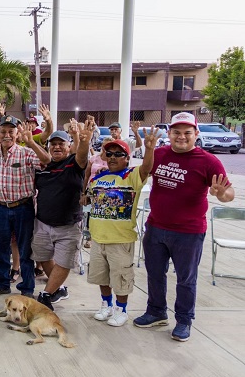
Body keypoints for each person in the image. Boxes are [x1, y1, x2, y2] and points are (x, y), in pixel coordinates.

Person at [134, 112, 234, 342]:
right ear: (169, 134)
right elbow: (142, 173)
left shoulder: (208, 161)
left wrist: (221, 194)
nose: (181, 137)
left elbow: (229, 192)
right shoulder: (159, 154)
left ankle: (184, 320)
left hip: (188, 232)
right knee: (155, 274)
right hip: (156, 227)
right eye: (176, 132)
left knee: (186, 279)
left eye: (187, 132)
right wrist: (147, 149)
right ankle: (156, 311)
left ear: (196, 134)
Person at [87, 131, 156, 327]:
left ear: (127, 158)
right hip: (98, 237)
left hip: (121, 239)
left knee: (121, 277)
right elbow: (90, 197)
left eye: (118, 154)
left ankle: (121, 310)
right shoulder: (98, 178)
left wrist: (150, 149)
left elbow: (147, 168)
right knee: (102, 276)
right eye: (109, 154)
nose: (113, 158)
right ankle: (106, 305)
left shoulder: (131, 175)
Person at [0, 116, 51, 298]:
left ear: (17, 133)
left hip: (23, 208)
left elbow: (47, 160)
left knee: (25, 250)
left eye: (11, 131)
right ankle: (2, 284)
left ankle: (27, 289)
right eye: (3, 131)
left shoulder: (26, 153)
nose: (7, 135)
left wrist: (31, 143)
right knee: (0, 249)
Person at [32, 125, 91, 311]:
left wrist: (84, 141)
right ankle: (60, 289)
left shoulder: (74, 164)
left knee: (64, 262)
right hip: (43, 223)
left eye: (61, 144)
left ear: (68, 146)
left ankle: (46, 295)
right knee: (42, 257)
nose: (57, 147)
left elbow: (82, 156)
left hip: (68, 224)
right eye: (53, 144)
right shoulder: (43, 167)